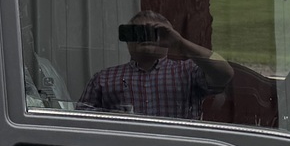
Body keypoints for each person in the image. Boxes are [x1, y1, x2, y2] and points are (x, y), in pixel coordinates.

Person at [78, 10, 232, 120]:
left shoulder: (187, 71)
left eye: (154, 32)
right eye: (138, 32)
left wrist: (180, 43)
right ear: (127, 38)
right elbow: (82, 122)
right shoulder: (104, 79)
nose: (145, 37)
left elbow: (225, 73)